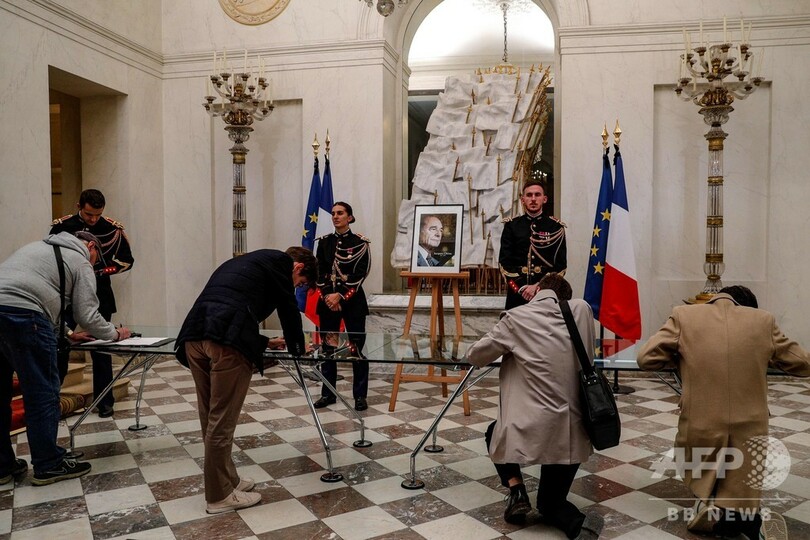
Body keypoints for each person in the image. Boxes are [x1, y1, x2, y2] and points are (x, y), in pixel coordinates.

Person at [638, 286, 810, 540]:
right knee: (742, 477)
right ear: (748, 308)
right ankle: (743, 521)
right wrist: (766, 356)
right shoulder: (763, 321)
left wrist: (683, 358)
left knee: (706, 471)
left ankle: (721, 516)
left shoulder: (684, 315)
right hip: (749, 424)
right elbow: (803, 363)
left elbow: (646, 358)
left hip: (700, 423)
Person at [175, 246, 317, 514]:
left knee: (210, 414)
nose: (297, 287)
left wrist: (264, 342)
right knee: (222, 419)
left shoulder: (253, 261)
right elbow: (288, 308)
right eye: (300, 283)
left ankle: (228, 480)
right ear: (298, 268)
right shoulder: (283, 263)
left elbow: (231, 306)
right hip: (224, 345)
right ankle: (219, 496)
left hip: (194, 336)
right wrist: (298, 349)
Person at [466, 273, 600, 539]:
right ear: (565, 298)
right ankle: (578, 525)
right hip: (573, 430)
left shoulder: (516, 318)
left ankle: (517, 490)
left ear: (537, 290)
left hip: (527, 428)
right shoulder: (582, 312)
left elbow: (475, 355)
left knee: (494, 432)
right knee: (550, 504)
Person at [0, 232, 131, 486]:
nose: (94, 265)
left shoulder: (37, 248)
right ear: (91, 246)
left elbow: (45, 298)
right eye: (97, 259)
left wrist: (69, 334)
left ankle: (2, 465)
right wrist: (116, 333)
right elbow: (88, 315)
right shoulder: (80, 260)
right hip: (25, 317)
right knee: (43, 393)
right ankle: (49, 463)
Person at [50, 189, 134, 418]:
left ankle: (104, 401)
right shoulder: (62, 227)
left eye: (98, 215)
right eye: (89, 214)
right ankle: (52, 399)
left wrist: (99, 270)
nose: (94, 219)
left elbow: (127, 261)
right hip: (67, 294)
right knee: (60, 343)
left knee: (102, 348)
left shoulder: (112, 229)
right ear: (79, 206)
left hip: (99, 293)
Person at [312, 202, 372, 412]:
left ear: (350, 218)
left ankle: (360, 395)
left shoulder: (360, 243)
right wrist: (329, 296)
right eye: (333, 214)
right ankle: (328, 393)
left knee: (356, 349)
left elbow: (360, 274)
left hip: (352, 303)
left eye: (340, 213)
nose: (336, 217)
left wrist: (340, 296)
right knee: (328, 349)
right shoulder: (324, 242)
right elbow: (318, 272)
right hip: (328, 303)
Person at [498, 179, 566, 310]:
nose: (533, 199)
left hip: (545, 295)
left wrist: (539, 287)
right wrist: (522, 288)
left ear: (544, 199)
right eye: (529, 195)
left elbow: (561, 267)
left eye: (537, 195)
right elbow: (505, 264)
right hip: (517, 295)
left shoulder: (556, 227)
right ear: (522, 200)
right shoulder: (511, 226)